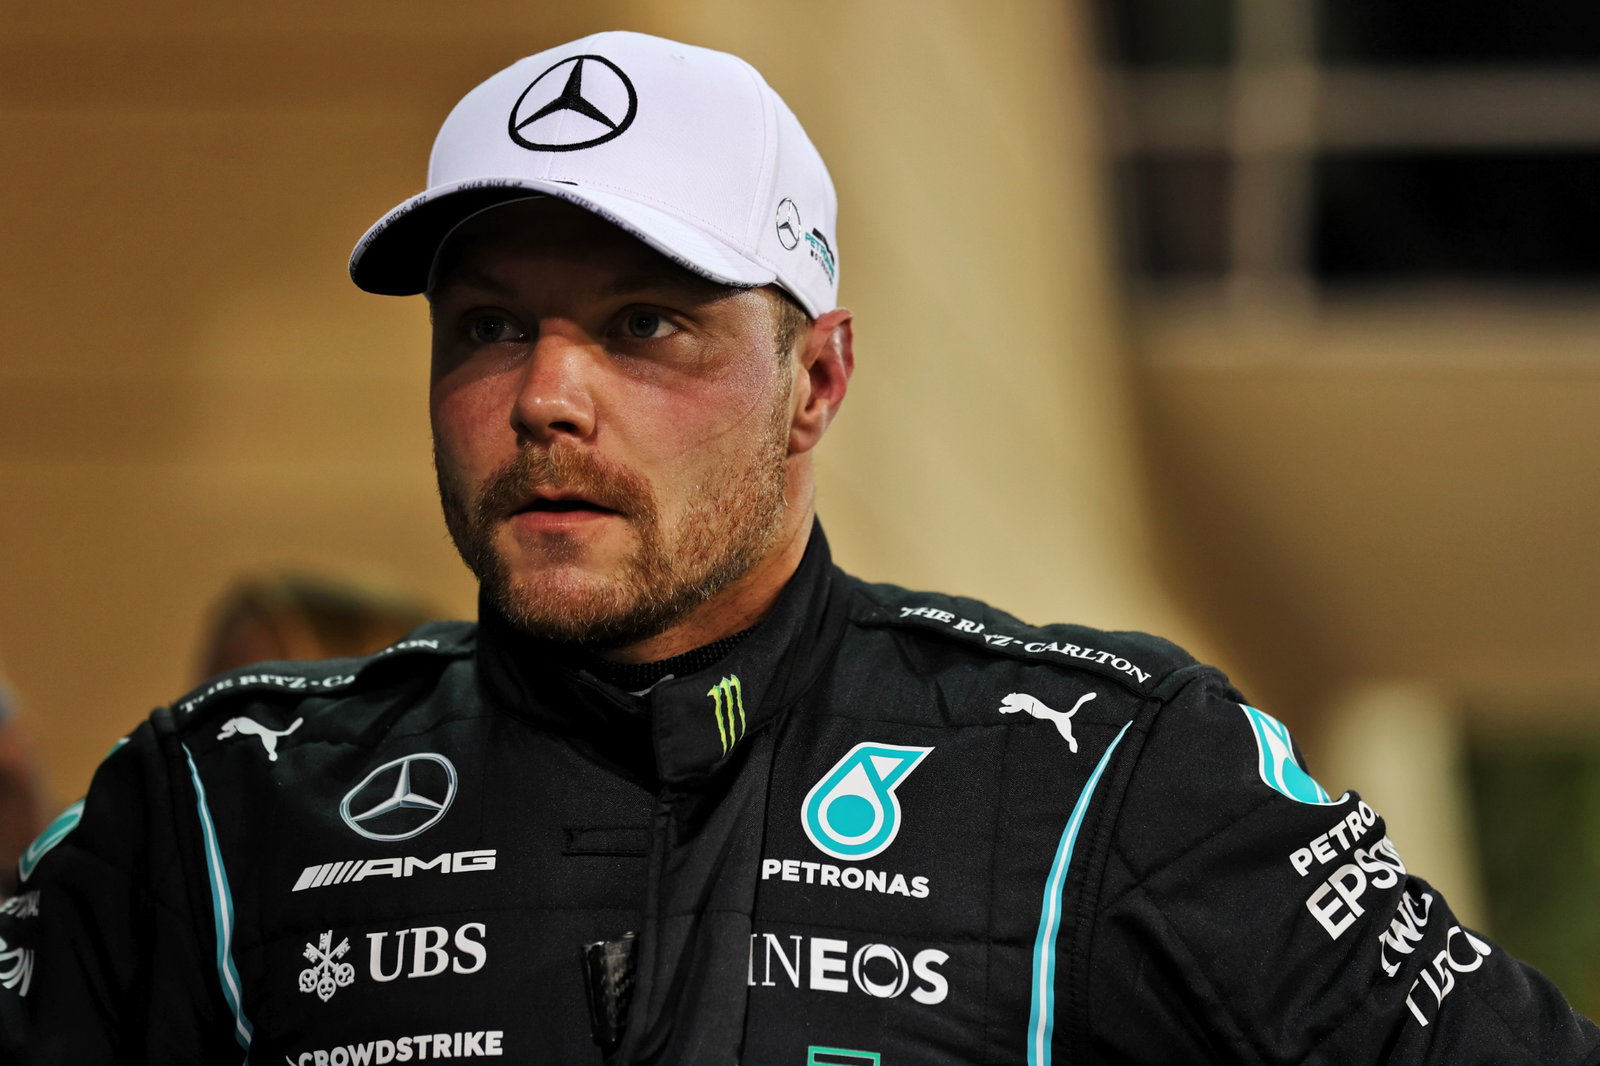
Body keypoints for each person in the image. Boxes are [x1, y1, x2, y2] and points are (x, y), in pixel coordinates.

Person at [2, 30, 1594, 1066]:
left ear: (818, 377)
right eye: (490, 326)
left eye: (646, 325)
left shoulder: (1100, 773)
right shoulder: (211, 805)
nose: (547, 397)